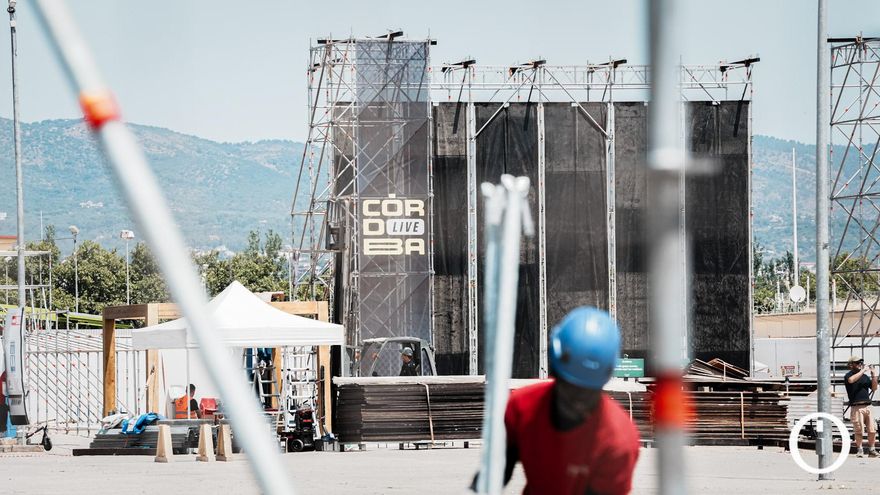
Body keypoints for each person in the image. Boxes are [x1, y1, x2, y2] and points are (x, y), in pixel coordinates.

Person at [501, 307, 640, 494]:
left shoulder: (618, 441)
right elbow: (496, 473)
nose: (576, 401)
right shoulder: (522, 408)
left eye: (586, 391)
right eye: (569, 386)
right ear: (554, 371)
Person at [844, 356, 878, 457]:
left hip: (868, 406)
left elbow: (874, 388)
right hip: (856, 406)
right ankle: (860, 450)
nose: (860, 363)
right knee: (859, 430)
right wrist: (863, 370)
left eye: (861, 362)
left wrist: (873, 375)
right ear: (851, 364)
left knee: (872, 429)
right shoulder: (848, 375)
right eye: (857, 362)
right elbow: (851, 380)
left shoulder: (865, 377)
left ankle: (872, 449)